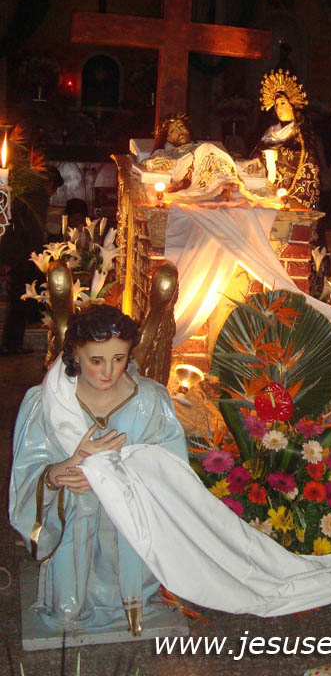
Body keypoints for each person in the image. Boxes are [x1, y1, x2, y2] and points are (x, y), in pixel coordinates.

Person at [9, 304, 187, 635]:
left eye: (119, 359)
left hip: (130, 526)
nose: (108, 371)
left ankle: (131, 595)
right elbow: (30, 472)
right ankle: (72, 599)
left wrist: (110, 478)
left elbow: (172, 472)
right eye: (96, 360)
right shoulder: (46, 403)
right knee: (81, 501)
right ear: (75, 355)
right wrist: (63, 471)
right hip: (74, 522)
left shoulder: (149, 402)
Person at [0, 166, 64, 355]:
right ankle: (11, 345)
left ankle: (13, 344)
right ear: (48, 184)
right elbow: (24, 233)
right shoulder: (34, 200)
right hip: (23, 258)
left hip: (21, 257)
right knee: (19, 303)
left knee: (19, 302)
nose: (53, 193)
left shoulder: (29, 198)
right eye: (54, 188)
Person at [252, 69, 321, 209]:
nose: (279, 108)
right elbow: (254, 162)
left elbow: (307, 167)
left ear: (292, 105)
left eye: (282, 103)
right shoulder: (269, 134)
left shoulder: (302, 137)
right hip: (265, 197)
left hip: (290, 198)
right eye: (276, 105)